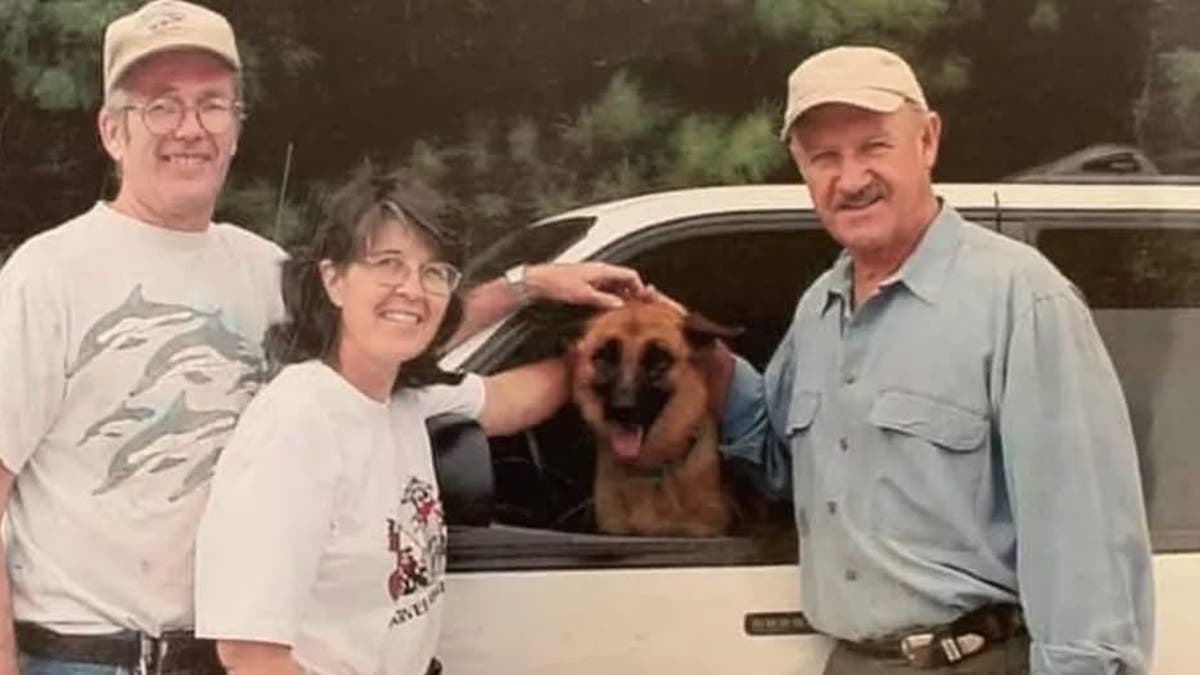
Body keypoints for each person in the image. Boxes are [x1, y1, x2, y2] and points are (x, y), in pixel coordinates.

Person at [0, 2, 640, 673]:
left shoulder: (262, 268)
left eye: (213, 104)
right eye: (161, 104)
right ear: (111, 129)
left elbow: (391, 322)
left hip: (231, 654)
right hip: (91, 658)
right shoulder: (46, 278)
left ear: (236, 128)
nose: (190, 127)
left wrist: (527, 285)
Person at [709, 46, 1155, 674]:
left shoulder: (1021, 300)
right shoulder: (820, 309)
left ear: (928, 140)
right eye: (825, 157)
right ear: (802, 168)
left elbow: (1085, 542)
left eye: (874, 147)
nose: (851, 177)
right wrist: (691, 350)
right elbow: (782, 462)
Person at [193, 167, 568, 675]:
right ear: (334, 280)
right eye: (388, 264)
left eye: (435, 272)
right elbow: (250, 655)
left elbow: (509, 401)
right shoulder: (297, 425)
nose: (412, 289)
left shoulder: (406, 397)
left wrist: (601, 352)